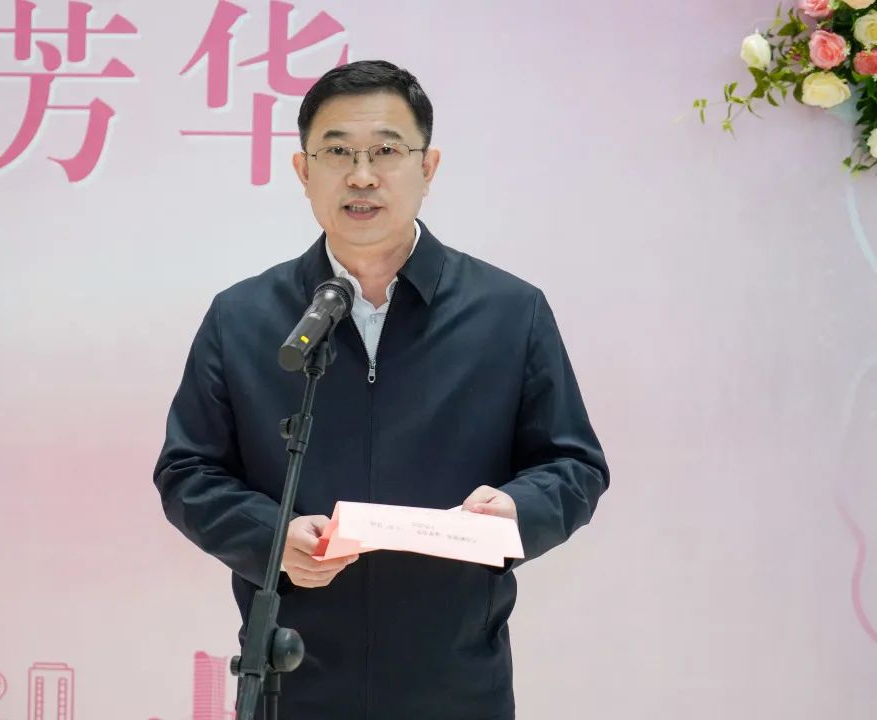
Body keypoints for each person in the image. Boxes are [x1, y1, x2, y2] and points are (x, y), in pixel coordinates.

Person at [154, 59, 609, 720]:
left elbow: (574, 465)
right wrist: (272, 538)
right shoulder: (243, 317)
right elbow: (188, 471)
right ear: (303, 171)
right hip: (293, 680)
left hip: (455, 683)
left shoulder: (510, 312)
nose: (362, 175)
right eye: (337, 152)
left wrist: (518, 511)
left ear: (428, 167)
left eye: (386, 151)